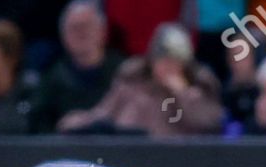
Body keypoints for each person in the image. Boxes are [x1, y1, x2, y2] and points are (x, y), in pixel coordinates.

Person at [58, 23, 223, 136]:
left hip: (179, 166)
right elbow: (103, 115)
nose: (168, 66)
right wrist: (77, 121)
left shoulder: (199, 89)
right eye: (163, 59)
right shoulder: (131, 85)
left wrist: (182, 93)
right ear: (151, 60)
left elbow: (210, 124)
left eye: (175, 61)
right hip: (130, 162)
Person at [34, 0, 125, 132]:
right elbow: (39, 126)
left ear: (102, 31)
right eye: (74, 28)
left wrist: (88, 120)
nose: (81, 33)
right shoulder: (51, 78)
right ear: (63, 37)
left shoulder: (125, 73)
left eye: (86, 26)